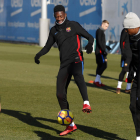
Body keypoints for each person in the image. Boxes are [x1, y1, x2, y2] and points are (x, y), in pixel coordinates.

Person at [34, 5, 94, 136]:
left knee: (78, 76)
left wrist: (90, 44)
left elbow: (90, 37)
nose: (59, 18)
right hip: (64, 64)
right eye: (57, 16)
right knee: (60, 94)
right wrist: (38, 55)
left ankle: (86, 103)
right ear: (54, 16)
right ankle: (70, 124)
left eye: (61, 16)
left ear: (65, 14)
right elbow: (47, 46)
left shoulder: (73, 25)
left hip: (77, 59)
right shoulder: (54, 30)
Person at [123, 12, 140, 140]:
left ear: (136, 27)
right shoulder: (129, 36)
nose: (126, 30)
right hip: (137, 75)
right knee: (133, 106)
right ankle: (138, 136)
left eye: (128, 28)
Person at [116, 28, 134, 94]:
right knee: (124, 70)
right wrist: (123, 53)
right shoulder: (125, 30)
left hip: (133, 54)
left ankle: (128, 88)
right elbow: (121, 41)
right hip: (126, 54)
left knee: (131, 71)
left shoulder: (135, 31)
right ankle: (118, 88)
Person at [94, 20, 110, 87]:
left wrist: (106, 47)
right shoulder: (100, 31)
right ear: (102, 24)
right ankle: (96, 80)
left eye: (107, 26)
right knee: (104, 65)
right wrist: (104, 50)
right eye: (106, 26)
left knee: (100, 66)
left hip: (100, 51)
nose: (106, 28)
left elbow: (101, 42)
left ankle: (98, 81)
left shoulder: (101, 31)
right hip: (100, 52)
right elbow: (99, 42)